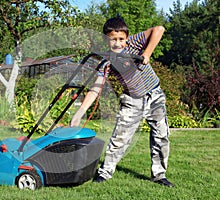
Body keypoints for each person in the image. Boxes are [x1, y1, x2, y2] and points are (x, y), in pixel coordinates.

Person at [70, 17, 174, 187]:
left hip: (154, 95)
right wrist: (79, 113)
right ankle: (105, 173)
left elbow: (159, 29)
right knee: (120, 138)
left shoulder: (134, 43)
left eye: (121, 39)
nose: (118, 43)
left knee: (161, 136)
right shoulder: (107, 62)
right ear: (106, 39)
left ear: (127, 38)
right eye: (113, 39)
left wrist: (146, 53)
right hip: (132, 101)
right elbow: (96, 88)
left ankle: (159, 174)